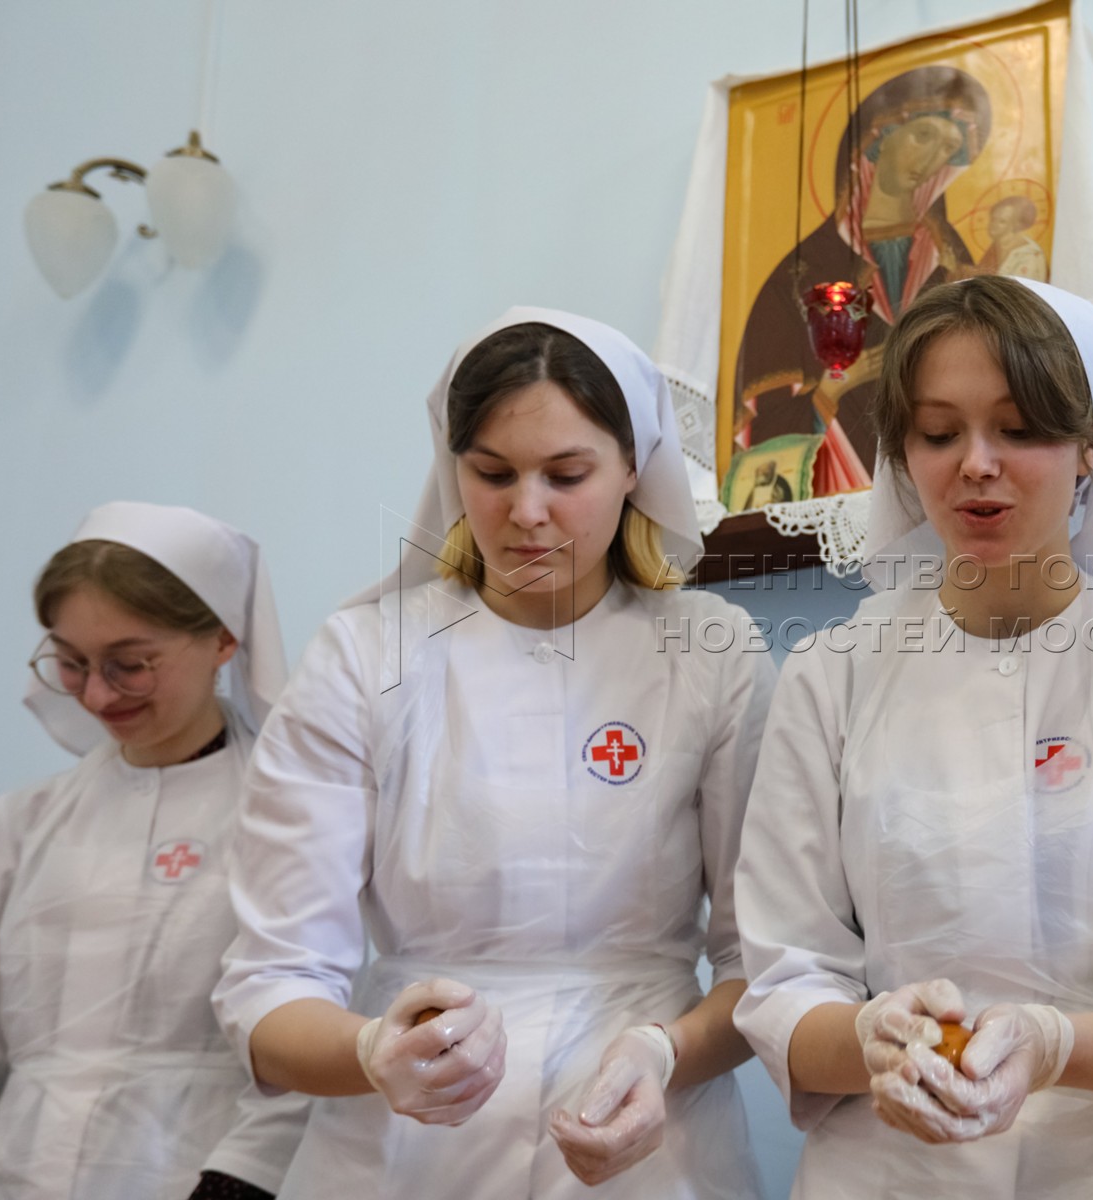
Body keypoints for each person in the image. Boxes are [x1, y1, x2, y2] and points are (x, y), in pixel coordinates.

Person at [214, 310, 774, 1197]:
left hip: (650, 1147)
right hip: (403, 1155)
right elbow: (271, 985)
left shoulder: (712, 656)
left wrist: (663, 1054)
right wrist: (373, 1050)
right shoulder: (367, 658)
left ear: (634, 466)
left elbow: (767, 965)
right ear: (453, 469)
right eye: (492, 473)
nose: (526, 512)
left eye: (567, 475)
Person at [734, 274, 1093, 1197]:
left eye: (1018, 429)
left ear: (1091, 444)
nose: (976, 464)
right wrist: (875, 1042)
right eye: (939, 434)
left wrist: (1052, 1045)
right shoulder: (831, 674)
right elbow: (786, 976)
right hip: (885, 1172)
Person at [0, 501, 310, 1199]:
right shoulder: (24, 823)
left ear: (223, 639)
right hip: (14, 1176)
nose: (98, 695)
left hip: (188, 1175)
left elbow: (307, 1027)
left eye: (130, 665)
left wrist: (238, 1180)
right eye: (71, 663)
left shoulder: (288, 815)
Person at [734, 65, 993, 497]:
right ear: (878, 137)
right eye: (923, 136)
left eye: (948, 149)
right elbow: (763, 422)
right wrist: (831, 389)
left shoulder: (950, 260)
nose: (931, 160)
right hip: (840, 483)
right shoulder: (802, 272)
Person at [976, 197, 1046, 281]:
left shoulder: (1029, 254)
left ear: (1015, 225)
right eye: (993, 219)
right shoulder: (996, 247)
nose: (993, 224)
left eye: (1002, 221)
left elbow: (1020, 286)